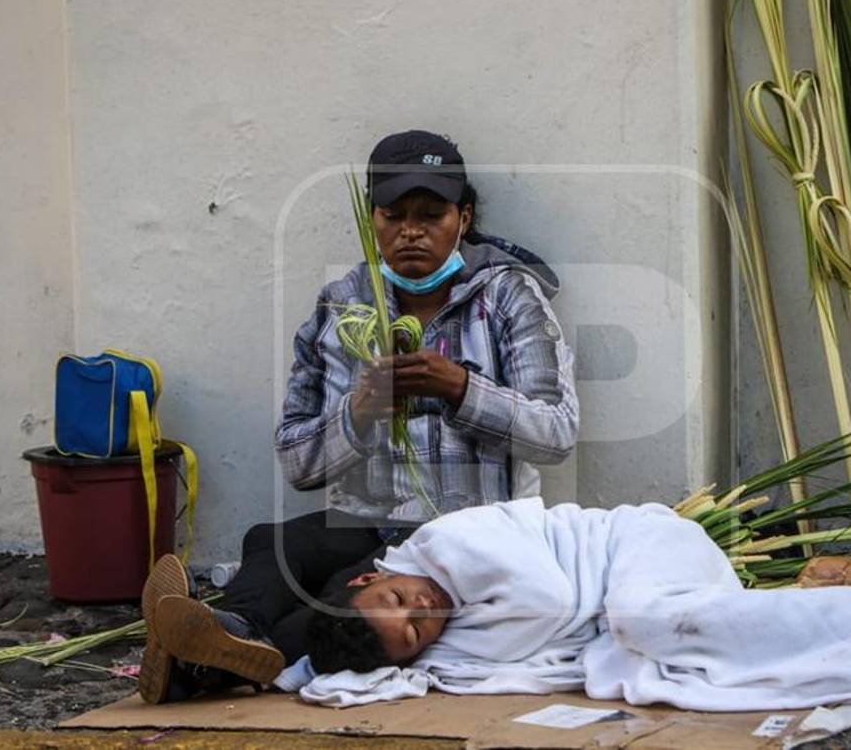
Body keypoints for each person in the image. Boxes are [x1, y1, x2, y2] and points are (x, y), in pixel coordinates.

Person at [138, 130, 580, 703]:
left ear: (464, 218)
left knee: (343, 600)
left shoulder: (509, 298)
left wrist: (461, 389)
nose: (412, 231)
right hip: (365, 520)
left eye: (432, 215)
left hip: (459, 535)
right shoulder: (340, 306)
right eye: (394, 215)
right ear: (371, 220)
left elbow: (557, 433)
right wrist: (361, 413)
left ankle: (196, 666)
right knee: (274, 546)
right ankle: (229, 634)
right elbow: (298, 461)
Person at [293, 498, 851, 712]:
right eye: (414, 633)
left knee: (644, 623)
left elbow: (547, 601)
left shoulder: (443, 544)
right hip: (622, 596)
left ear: (364, 580)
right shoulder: (442, 627)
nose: (425, 609)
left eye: (400, 598)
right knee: (638, 660)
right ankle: (813, 620)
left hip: (640, 546)